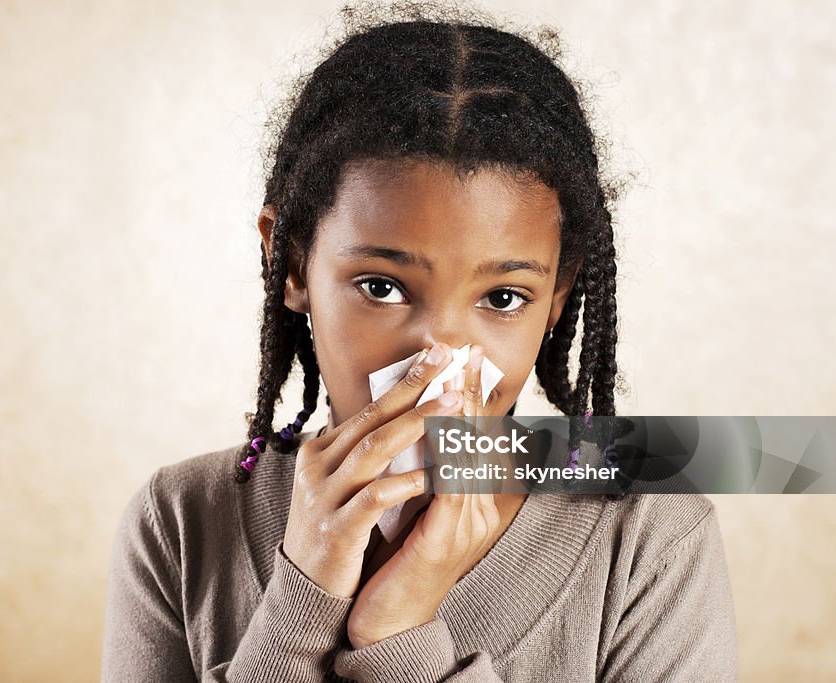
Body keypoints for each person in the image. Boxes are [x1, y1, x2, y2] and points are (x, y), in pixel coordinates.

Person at [101, 7, 739, 681]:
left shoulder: (650, 540)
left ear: (557, 296)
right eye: (381, 286)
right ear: (289, 265)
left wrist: (400, 634)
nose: (439, 358)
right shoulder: (179, 521)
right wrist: (298, 608)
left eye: (502, 299)